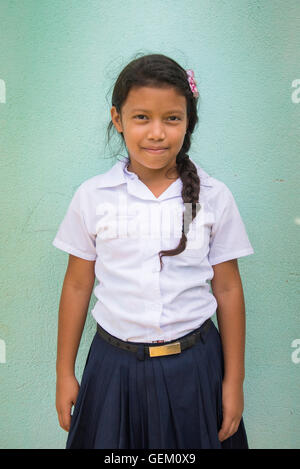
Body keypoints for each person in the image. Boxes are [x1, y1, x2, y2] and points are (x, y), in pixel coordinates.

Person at [53, 53, 254, 449]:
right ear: (118, 119)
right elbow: (77, 286)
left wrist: (234, 382)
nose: (157, 133)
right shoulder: (93, 197)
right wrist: (64, 373)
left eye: (172, 118)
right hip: (113, 369)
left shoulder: (213, 197)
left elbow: (228, 291)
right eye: (142, 117)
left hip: (196, 370)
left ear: (188, 121)